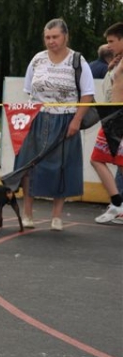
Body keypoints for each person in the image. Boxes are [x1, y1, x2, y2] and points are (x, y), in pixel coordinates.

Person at [14, 18, 94, 231]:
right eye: (47, 37)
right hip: (37, 118)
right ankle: (27, 213)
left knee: (63, 166)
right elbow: (29, 92)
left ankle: (57, 216)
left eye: (55, 37)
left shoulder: (78, 60)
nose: (51, 41)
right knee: (29, 165)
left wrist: (76, 120)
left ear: (65, 36)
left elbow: (87, 95)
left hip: (66, 119)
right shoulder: (37, 60)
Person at [90, 22, 123, 224]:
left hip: (118, 117)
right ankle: (117, 205)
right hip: (115, 115)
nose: (108, 46)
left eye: (111, 41)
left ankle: (117, 204)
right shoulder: (118, 61)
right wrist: (113, 68)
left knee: (96, 158)